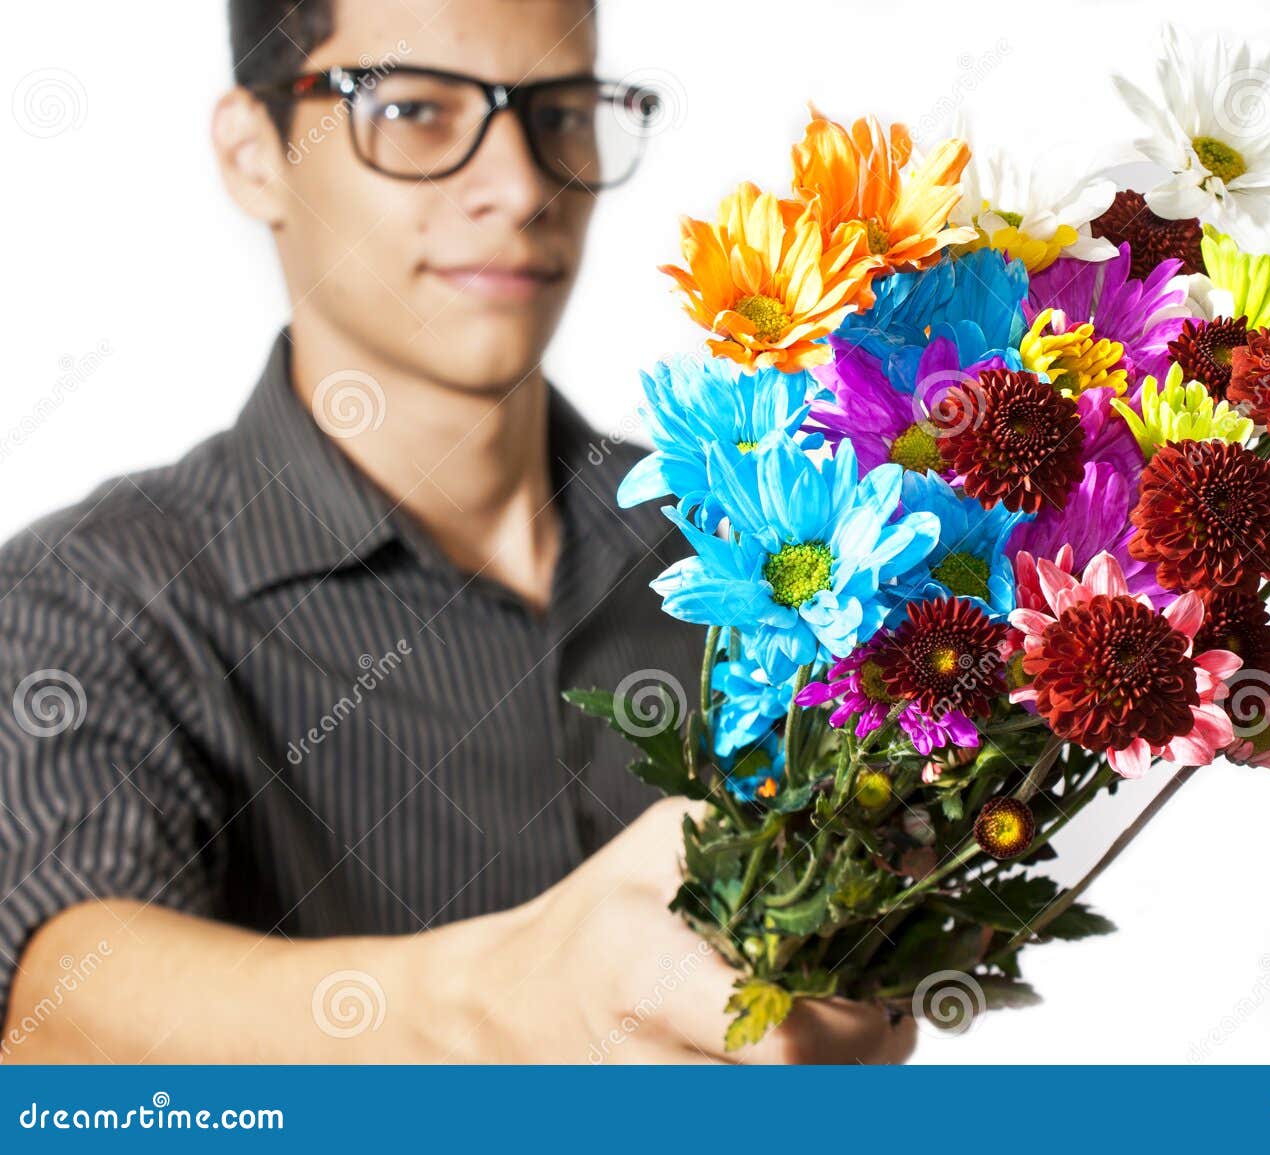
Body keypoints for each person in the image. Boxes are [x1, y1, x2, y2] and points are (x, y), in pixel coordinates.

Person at [0, 0, 915, 1064]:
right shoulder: (89, 599)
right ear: (255, 155)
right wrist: (497, 1007)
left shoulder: (752, 539)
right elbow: (59, 1000)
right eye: (415, 109)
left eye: (561, 111)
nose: (523, 190)